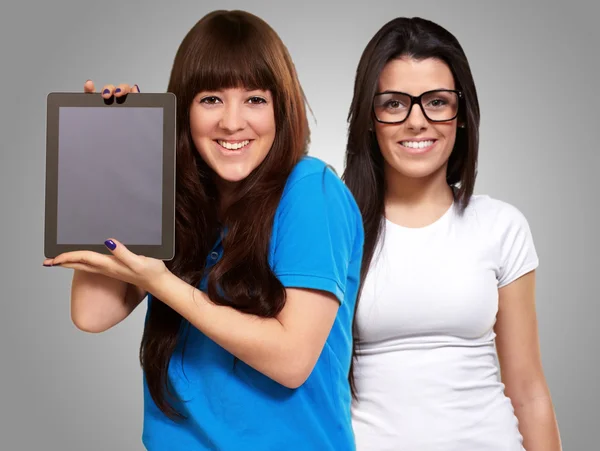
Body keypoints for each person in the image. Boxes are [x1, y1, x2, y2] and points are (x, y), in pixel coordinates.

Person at [44, 10, 363, 451]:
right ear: (183, 109)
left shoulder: (311, 191)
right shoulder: (173, 197)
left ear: (281, 108)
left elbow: (291, 360)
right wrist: (114, 148)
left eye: (255, 99)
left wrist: (163, 284)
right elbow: (92, 314)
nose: (232, 122)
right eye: (211, 99)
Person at [342, 17, 561, 450]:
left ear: (461, 115)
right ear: (370, 117)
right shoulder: (339, 228)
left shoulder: (501, 225)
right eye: (393, 103)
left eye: (437, 102)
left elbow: (528, 389)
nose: (417, 121)